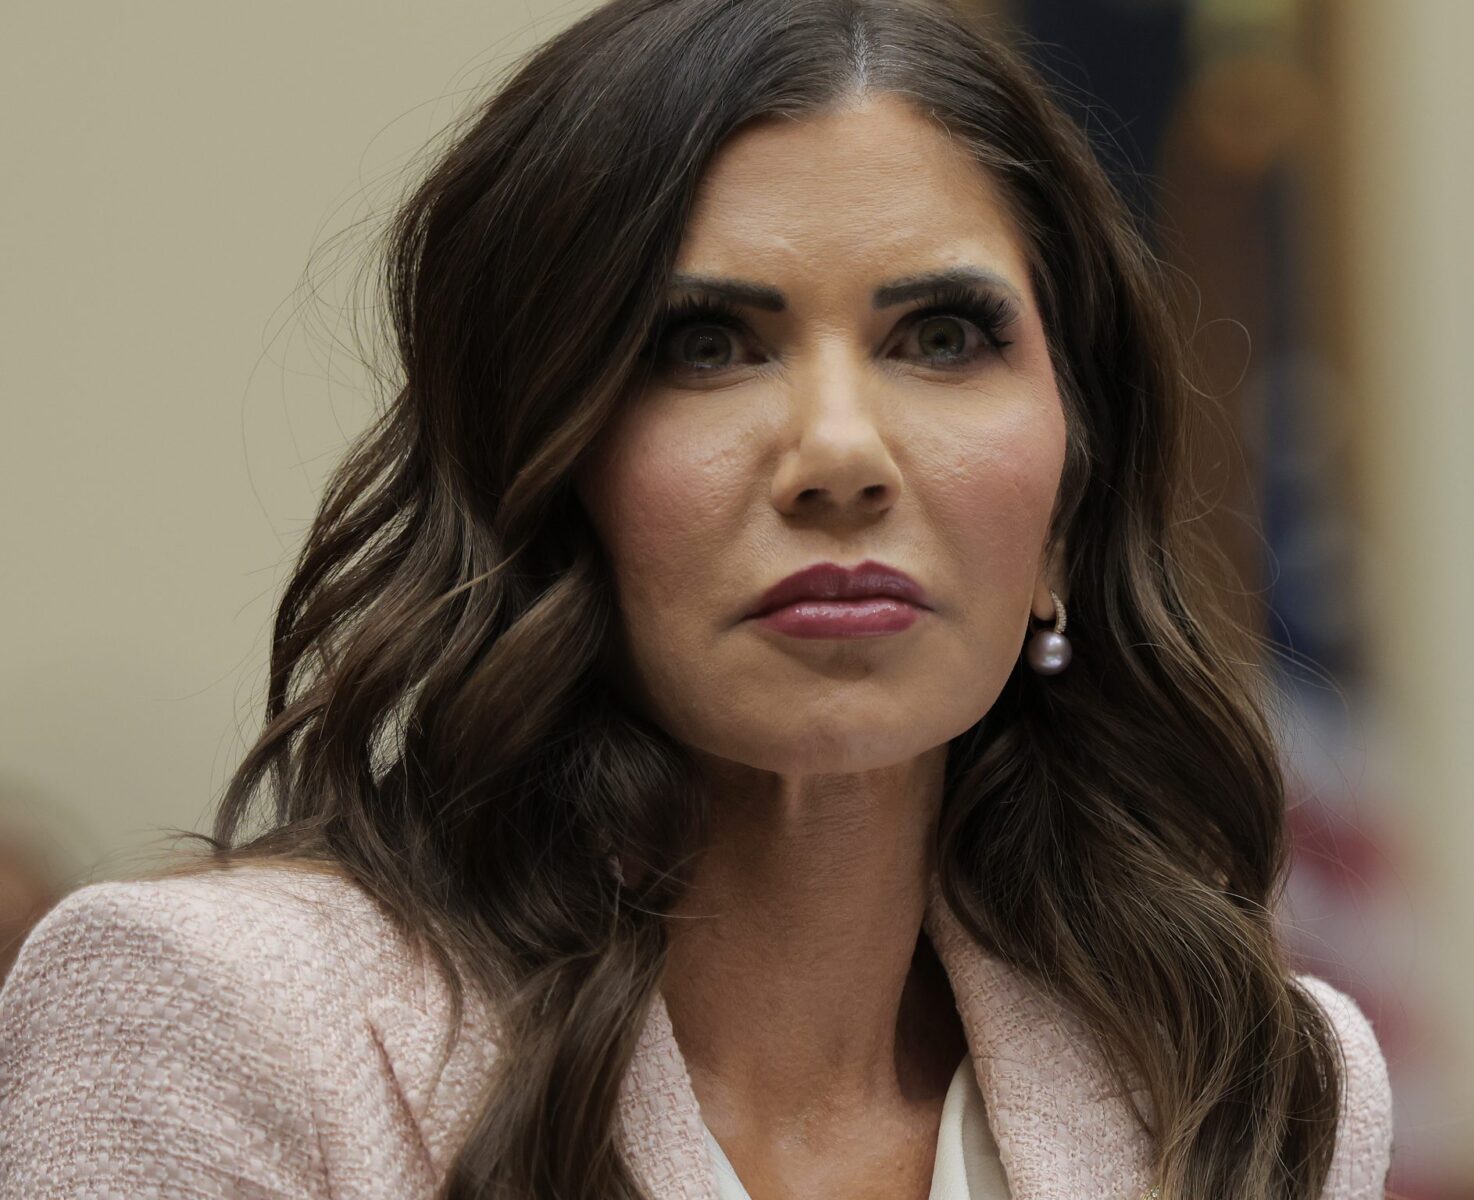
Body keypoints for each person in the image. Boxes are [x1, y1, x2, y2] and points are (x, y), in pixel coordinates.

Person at [0, 0, 1392, 1196]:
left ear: (1065, 510)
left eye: (943, 337)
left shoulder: (1249, 1083)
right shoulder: (210, 1020)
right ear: (535, 470)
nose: (841, 453)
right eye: (707, 344)